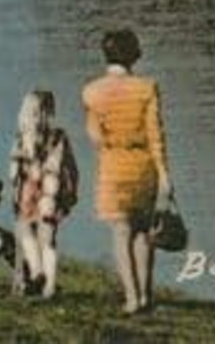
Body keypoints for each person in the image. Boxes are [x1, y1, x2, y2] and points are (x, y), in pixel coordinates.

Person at [82, 29, 172, 315]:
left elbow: (94, 136)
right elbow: (156, 135)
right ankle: (146, 295)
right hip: (143, 164)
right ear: (134, 55)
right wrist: (165, 176)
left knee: (121, 233)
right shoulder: (147, 88)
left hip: (113, 165)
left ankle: (131, 298)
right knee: (144, 234)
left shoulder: (92, 92)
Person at [9, 89, 78, 299]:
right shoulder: (58, 137)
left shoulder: (21, 139)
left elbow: (12, 171)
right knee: (48, 240)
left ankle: (37, 271)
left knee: (25, 232)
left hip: (27, 190)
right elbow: (61, 165)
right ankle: (49, 286)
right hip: (50, 190)